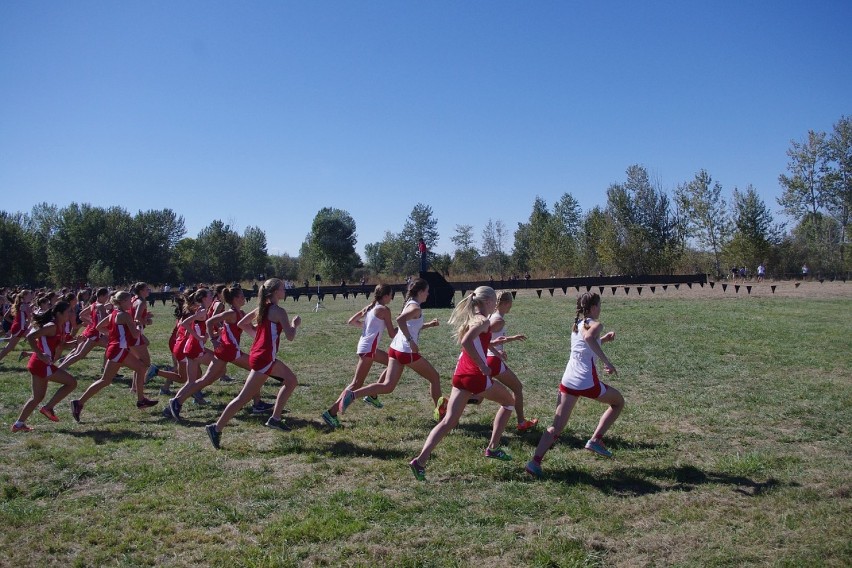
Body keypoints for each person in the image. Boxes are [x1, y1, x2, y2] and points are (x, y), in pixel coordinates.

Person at [408, 286, 516, 481]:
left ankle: (420, 461)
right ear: (489, 302)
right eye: (494, 303)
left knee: (449, 421)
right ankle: (493, 447)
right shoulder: (483, 320)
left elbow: (476, 342)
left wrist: (495, 350)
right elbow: (466, 341)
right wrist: (483, 365)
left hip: (460, 374)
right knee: (509, 402)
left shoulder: (472, 318)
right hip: (475, 376)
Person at [525, 292, 624, 478]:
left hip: (568, 380)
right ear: (594, 307)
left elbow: (586, 345)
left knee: (556, 427)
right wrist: (607, 362)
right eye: (599, 305)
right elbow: (588, 339)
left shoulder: (577, 324)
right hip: (586, 381)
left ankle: (534, 462)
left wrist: (604, 340)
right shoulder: (596, 324)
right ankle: (595, 440)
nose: (600, 309)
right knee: (618, 402)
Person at [205, 278, 301, 449]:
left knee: (291, 381)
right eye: (282, 288)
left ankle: (275, 419)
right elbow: (291, 336)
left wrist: (258, 335)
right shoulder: (279, 311)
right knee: (243, 397)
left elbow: (243, 324)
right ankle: (216, 428)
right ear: (275, 292)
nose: (285, 290)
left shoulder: (261, 308)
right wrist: (295, 324)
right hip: (264, 358)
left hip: (263, 356)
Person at [337, 278, 445, 422]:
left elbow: (410, 326)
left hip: (395, 349)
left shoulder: (410, 304)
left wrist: (429, 325)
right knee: (435, 377)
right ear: (419, 292)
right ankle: (442, 415)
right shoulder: (415, 308)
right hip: (406, 352)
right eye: (427, 291)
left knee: (387, 386)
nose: (428, 294)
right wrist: (411, 342)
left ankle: (352, 395)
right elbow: (400, 321)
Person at [164, 286, 271, 421]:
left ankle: (176, 402)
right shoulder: (231, 313)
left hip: (228, 351)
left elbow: (251, 328)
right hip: (229, 351)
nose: (245, 298)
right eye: (242, 296)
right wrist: (214, 340)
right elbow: (209, 321)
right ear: (236, 299)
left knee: (206, 379)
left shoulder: (241, 313)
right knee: (256, 369)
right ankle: (257, 404)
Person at [70, 291, 159, 421]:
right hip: (118, 350)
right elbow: (135, 335)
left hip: (117, 348)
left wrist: (113, 335)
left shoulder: (113, 314)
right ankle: (78, 402)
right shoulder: (125, 315)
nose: (131, 303)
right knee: (105, 380)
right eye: (129, 301)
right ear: (122, 302)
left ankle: (141, 400)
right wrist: (140, 326)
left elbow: (100, 327)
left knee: (141, 367)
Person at [322, 284, 397, 428]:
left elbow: (352, 321)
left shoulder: (371, 307)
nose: (392, 298)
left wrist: (368, 327)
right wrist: (405, 325)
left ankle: (373, 395)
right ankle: (331, 413)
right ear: (386, 296)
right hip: (368, 349)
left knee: (393, 362)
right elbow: (392, 334)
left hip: (367, 347)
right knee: (356, 383)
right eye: (391, 295)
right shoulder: (384, 310)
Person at [11, 301, 78, 432]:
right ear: (59, 313)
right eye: (69, 311)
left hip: (40, 364)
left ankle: (18, 425)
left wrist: (76, 342)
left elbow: (61, 345)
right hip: (41, 364)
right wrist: (41, 354)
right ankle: (48, 408)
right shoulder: (51, 326)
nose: (71, 313)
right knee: (71, 383)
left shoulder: (60, 326)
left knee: (37, 397)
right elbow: (30, 337)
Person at [487, 291, 538, 432]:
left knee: (477, 395)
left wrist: (513, 338)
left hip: (489, 359)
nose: (511, 306)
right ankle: (521, 423)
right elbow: (482, 340)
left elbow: (491, 339)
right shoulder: (498, 320)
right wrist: (497, 352)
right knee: (517, 388)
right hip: (492, 360)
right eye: (510, 303)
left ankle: (448, 406)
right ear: (505, 303)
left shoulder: (493, 316)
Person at [0, 289, 33, 362]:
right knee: (9, 347)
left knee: (10, 347)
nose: (31, 296)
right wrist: (27, 327)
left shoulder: (21, 304)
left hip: (18, 327)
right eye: (29, 295)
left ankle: (30, 354)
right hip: (19, 327)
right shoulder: (24, 305)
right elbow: (30, 318)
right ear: (24, 296)